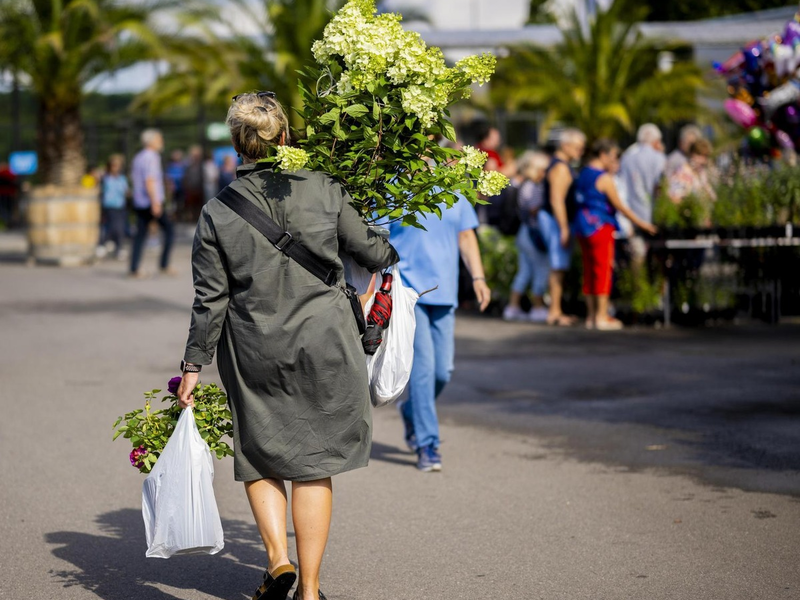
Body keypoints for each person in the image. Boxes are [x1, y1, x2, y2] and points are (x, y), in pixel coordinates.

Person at [176, 92, 398, 600]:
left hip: (254, 347)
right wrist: (384, 241)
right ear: (286, 135)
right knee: (314, 464)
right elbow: (373, 251)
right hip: (326, 343)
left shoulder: (217, 211)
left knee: (262, 456)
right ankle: (312, 590)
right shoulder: (323, 187)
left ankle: (279, 559)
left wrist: (192, 366)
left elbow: (210, 299)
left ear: (238, 142)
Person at [387, 193, 491, 472]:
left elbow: (467, 238)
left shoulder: (456, 193)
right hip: (409, 292)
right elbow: (379, 239)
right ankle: (427, 444)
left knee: (442, 371)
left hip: (445, 292)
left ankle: (411, 411)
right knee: (423, 369)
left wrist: (478, 278)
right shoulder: (396, 187)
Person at [574, 139, 657, 330]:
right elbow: (620, 206)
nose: (614, 161)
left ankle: (591, 316)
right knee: (603, 270)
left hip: (582, 225)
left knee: (589, 271)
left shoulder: (583, 173)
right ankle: (601, 316)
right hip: (600, 226)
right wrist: (642, 224)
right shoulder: (603, 178)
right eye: (612, 156)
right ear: (602, 155)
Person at [539, 128, 586, 326]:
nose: (580, 152)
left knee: (559, 266)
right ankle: (554, 311)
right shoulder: (561, 168)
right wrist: (564, 227)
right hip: (555, 220)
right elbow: (556, 199)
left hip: (555, 220)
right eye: (578, 147)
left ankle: (556, 310)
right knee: (557, 266)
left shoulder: (561, 165)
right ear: (565, 146)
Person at [503, 150, 551, 323]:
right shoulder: (532, 186)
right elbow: (532, 208)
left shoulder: (525, 184)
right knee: (540, 269)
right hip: (531, 233)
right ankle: (538, 307)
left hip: (524, 233)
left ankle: (513, 306)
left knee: (525, 271)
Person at [129, 129, 175, 278]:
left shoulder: (138, 157)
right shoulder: (152, 157)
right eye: (159, 139)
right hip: (150, 201)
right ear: (151, 141)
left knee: (140, 235)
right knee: (169, 230)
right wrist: (155, 202)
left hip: (140, 201)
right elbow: (150, 180)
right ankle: (164, 264)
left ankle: (134, 267)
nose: (161, 142)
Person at [618, 123, 666, 262]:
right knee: (655, 257)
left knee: (636, 257)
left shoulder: (627, 157)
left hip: (631, 215)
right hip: (653, 216)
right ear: (656, 141)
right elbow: (661, 187)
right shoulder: (659, 157)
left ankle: (636, 282)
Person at [668, 138, 716, 208]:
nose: (703, 161)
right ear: (691, 154)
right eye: (700, 155)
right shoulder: (682, 173)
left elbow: (711, 196)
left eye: (706, 157)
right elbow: (674, 198)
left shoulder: (701, 172)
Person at [100, 154, 129, 259]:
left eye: (118, 165)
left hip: (120, 205)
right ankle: (105, 244)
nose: (116, 168)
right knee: (113, 226)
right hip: (109, 205)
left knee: (120, 227)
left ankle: (118, 247)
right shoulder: (105, 178)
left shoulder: (122, 178)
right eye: (114, 165)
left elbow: (126, 191)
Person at [165, 149, 186, 217]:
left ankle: (180, 215)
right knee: (173, 203)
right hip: (173, 187)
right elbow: (167, 176)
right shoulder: (170, 165)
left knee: (180, 202)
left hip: (181, 187)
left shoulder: (183, 165)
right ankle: (173, 215)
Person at [0, 161, 18, 227]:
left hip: (4, 194)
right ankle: (9, 221)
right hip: (9, 194)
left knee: (4, 209)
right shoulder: (11, 173)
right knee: (9, 208)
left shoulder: (3, 172)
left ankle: (6, 221)